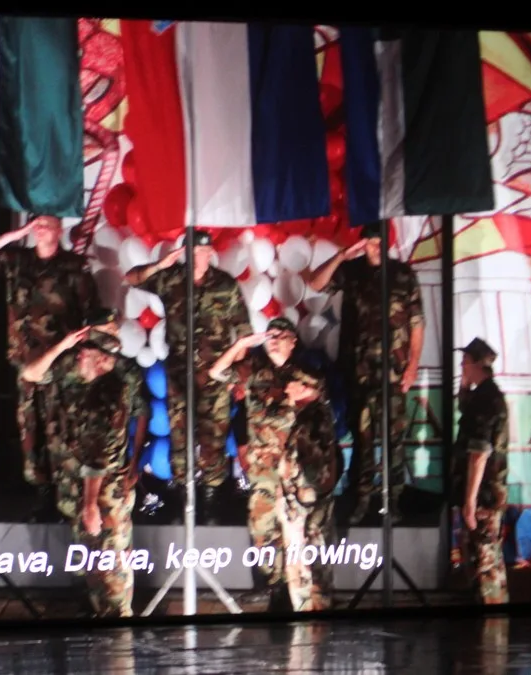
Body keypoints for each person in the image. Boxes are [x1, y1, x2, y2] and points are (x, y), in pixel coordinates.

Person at [21, 320, 149, 618]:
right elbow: (30, 374)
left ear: (103, 361)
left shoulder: (108, 397)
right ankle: (101, 613)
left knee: (110, 561)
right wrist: (62, 346)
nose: (79, 355)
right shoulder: (82, 380)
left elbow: (97, 459)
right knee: (93, 558)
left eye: (87, 352)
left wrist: (91, 505)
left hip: (103, 492)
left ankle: (118, 622)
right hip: (81, 483)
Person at [209, 318, 336, 612]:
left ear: (294, 341)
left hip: (295, 472)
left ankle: (303, 596)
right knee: (263, 532)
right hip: (263, 470)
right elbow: (216, 372)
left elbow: (324, 416)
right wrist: (241, 344)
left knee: (302, 535)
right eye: (271, 335)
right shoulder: (253, 370)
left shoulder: (308, 376)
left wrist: (306, 396)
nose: (274, 340)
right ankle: (276, 589)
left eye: (281, 335)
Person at [125, 230, 252, 524]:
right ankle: (185, 496)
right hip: (179, 376)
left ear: (211, 254)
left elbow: (243, 333)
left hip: (215, 376)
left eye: (204, 252)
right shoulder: (170, 279)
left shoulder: (225, 285)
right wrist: (160, 265)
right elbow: (131, 278)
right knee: (180, 437)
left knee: (213, 438)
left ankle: (211, 500)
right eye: (194, 252)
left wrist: (238, 377)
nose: (199, 257)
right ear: (185, 254)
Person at [305, 221, 425, 524]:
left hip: (394, 372)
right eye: (369, 242)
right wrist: (341, 256)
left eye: (379, 242)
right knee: (362, 438)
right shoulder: (351, 271)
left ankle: (392, 499)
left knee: (394, 438)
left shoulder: (403, 275)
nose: (374, 247)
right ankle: (361, 499)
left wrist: (413, 365)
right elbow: (315, 284)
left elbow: (416, 323)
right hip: (359, 372)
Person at [0, 214, 101, 520]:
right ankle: (42, 491)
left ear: (59, 230)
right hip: (25, 361)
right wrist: (18, 233)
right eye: (35, 225)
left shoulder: (74, 266)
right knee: (29, 427)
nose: (39, 230)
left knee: (60, 426)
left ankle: (67, 493)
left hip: (61, 362)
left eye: (46, 225)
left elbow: (91, 313)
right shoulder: (17, 261)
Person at [452, 337, 510, 604]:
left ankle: (493, 620)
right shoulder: (483, 395)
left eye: (465, 361)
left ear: (477, 364)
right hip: (484, 494)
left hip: (483, 496)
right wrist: (465, 384)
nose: (461, 366)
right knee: (479, 562)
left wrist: (470, 502)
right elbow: (464, 406)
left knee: (486, 567)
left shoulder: (486, 400)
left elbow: (479, 455)